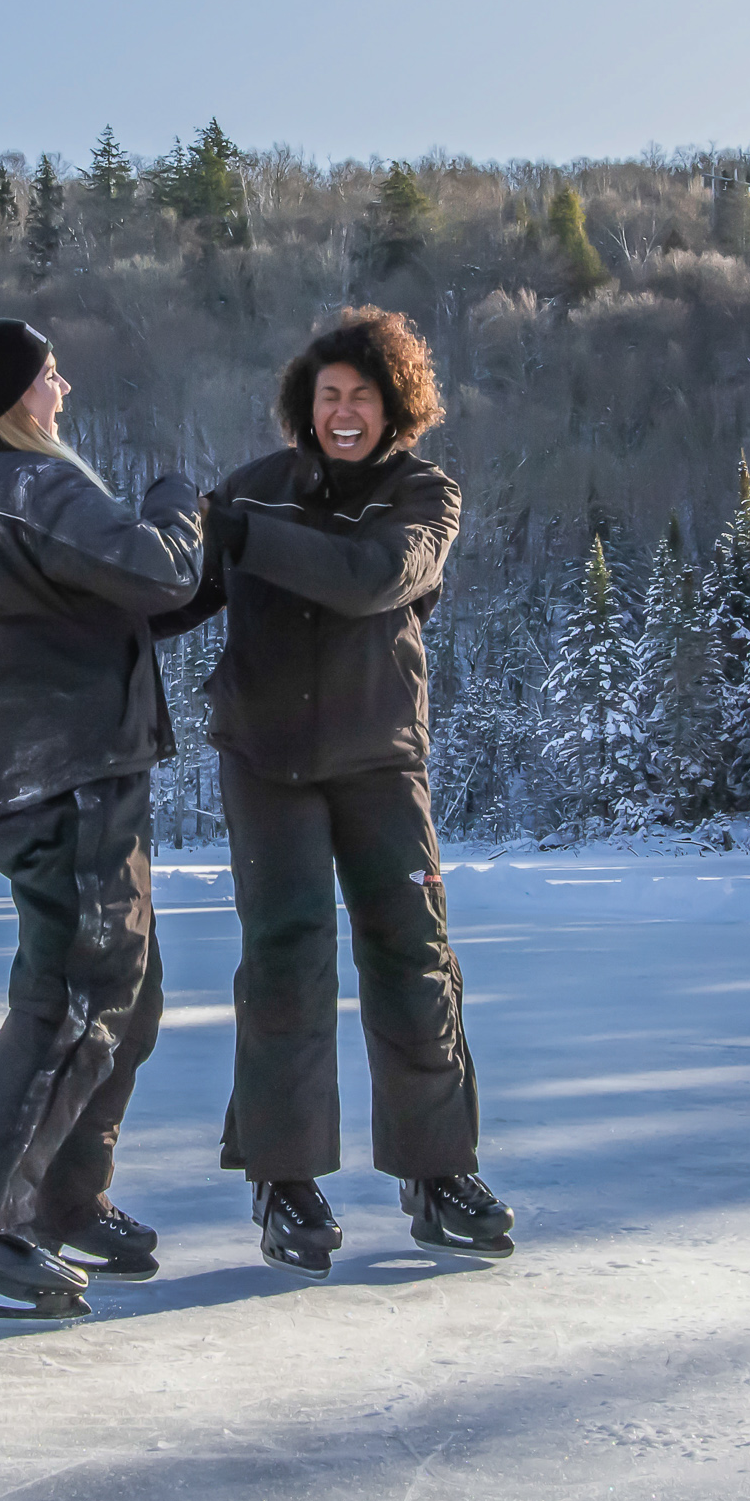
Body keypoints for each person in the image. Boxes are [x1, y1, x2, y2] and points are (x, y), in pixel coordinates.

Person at [157, 306, 515, 1279]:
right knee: (285, 956)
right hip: (264, 755)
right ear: (301, 406)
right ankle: (285, 1181)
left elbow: (370, 576)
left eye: (360, 394)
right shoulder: (252, 490)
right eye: (327, 396)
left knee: (414, 953)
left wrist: (243, 532)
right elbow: (171, 601)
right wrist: (67, 583)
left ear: (394, 401)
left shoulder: (420, 494)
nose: (343, 410)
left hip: (378, 755)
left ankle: (437, 1174)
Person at [0, 312, 204, 1320]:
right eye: (48, 374)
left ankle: (63, 1196)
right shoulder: (42, 483)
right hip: (73, 780)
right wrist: (175, 503)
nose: (62, 388)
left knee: (132, 992)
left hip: (29, 780)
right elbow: (162, 566)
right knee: (76, 1000)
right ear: (13, 395)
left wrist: (49, 613)